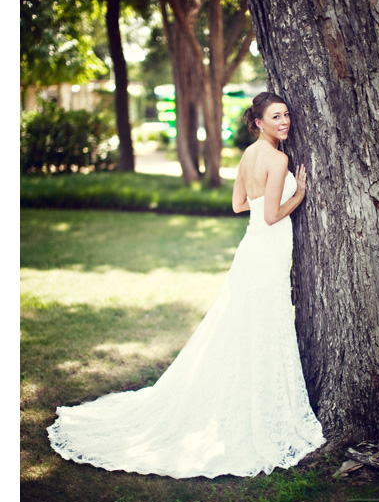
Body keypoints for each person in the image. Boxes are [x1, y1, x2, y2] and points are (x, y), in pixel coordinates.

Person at [47, 92, 325, 478]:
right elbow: (275, 214)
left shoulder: (247, 156)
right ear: (258, 122)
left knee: (245, 320)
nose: (285, 121)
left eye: (287, 115)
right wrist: (299, 194)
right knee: (264, 320)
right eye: (276, 116)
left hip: (252, 247)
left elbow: (239, 205)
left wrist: (266, 203)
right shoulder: (278, 159)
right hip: (269, 246)